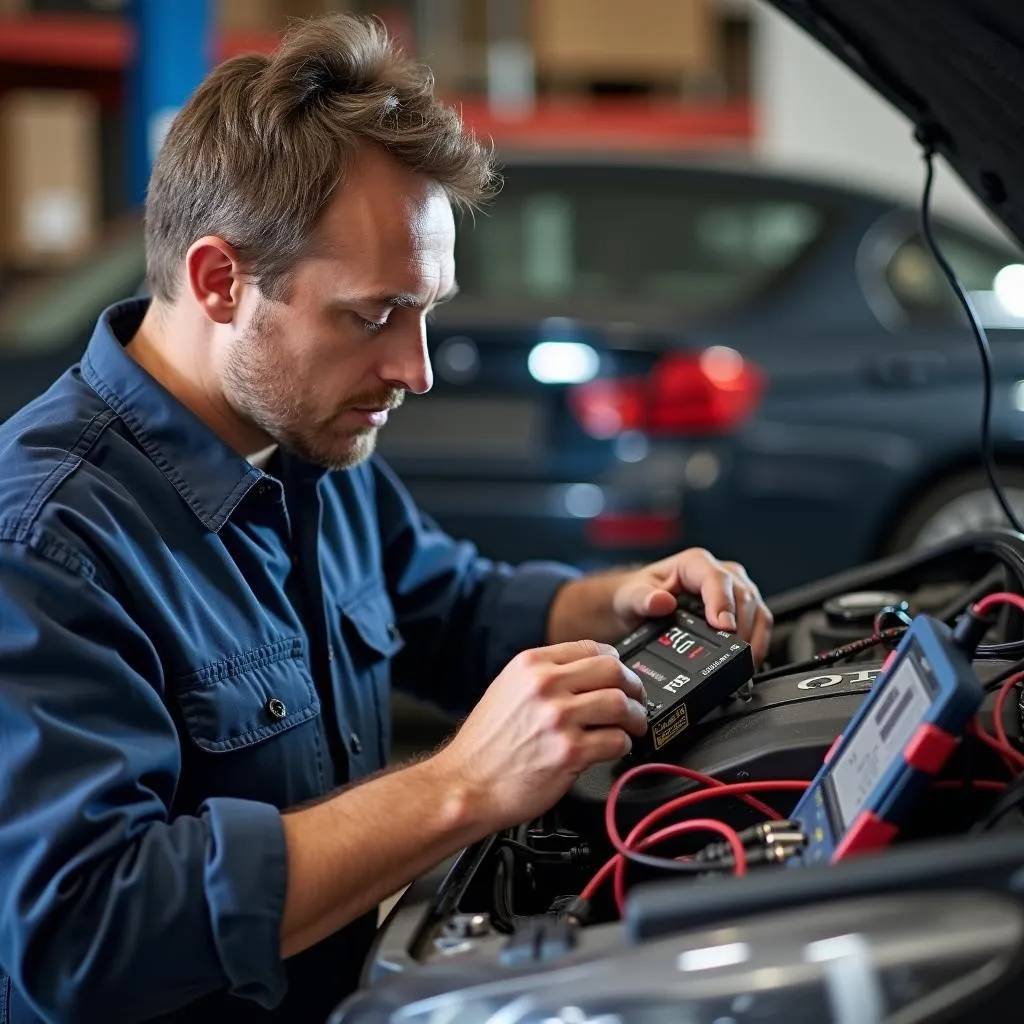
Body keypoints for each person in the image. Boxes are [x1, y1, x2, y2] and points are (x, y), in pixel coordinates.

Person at [0, 13, 772, 1024]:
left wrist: (615, 599)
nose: (413, 369)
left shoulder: (304, 442)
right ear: (219, 281)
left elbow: (446, 604)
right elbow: (81, 929)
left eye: (425, 309)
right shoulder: (45, 543)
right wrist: (458, 787)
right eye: (372, 315)